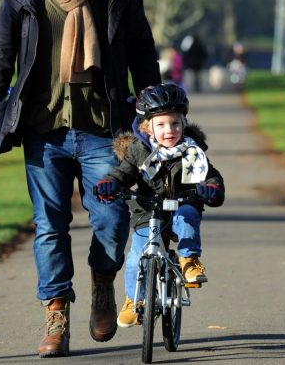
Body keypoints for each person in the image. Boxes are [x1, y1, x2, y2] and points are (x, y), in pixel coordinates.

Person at [0, 0, 161, 358]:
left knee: (113, 222)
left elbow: (143, 53)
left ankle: (101, 283)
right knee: (49, 227)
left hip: (105, 130)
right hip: (44, 130)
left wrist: (153, 111)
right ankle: (56, 314)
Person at [94, 83, 225, 328]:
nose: (169, 130)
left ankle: (189, 260)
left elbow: (211, 175)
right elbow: (122, 173)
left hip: (182, 206)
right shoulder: (139, 151)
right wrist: (109, 183)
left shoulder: (192, 151)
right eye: (161, 124)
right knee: (135, 258)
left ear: (183, 123)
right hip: (149, 211)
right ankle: (134, 300)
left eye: (175, 123)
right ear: (147, 127)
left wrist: (212, 188)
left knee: (188, 215)